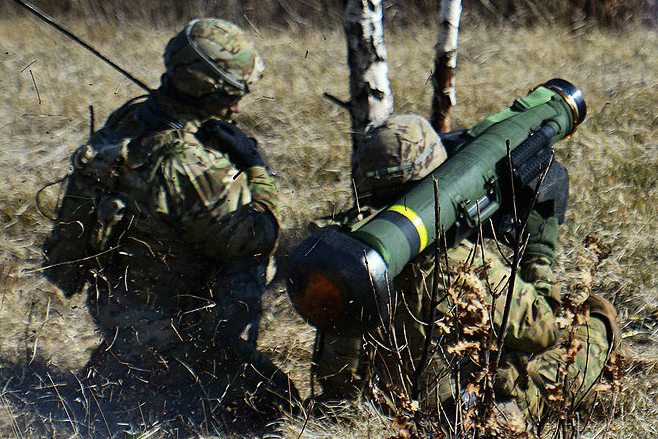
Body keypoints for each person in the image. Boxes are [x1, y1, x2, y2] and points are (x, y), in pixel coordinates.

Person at [42, 18, 297, 432]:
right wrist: (256, 168)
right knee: (278, 404)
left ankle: (122, 369)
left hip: (121, 315)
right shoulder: (187, 162)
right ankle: (187, 373)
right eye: (234, 92)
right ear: (210, 89)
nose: (238, 106)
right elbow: (256, 236)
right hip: (182, 333)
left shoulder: (129, 120)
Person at [311, 114, 620, 433]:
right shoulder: (460, 262)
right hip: (463, 418)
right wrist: (538, 248)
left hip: (377, 406)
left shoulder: (344, 251)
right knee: (598, 317)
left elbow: (340, 375)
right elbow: (543, 330)